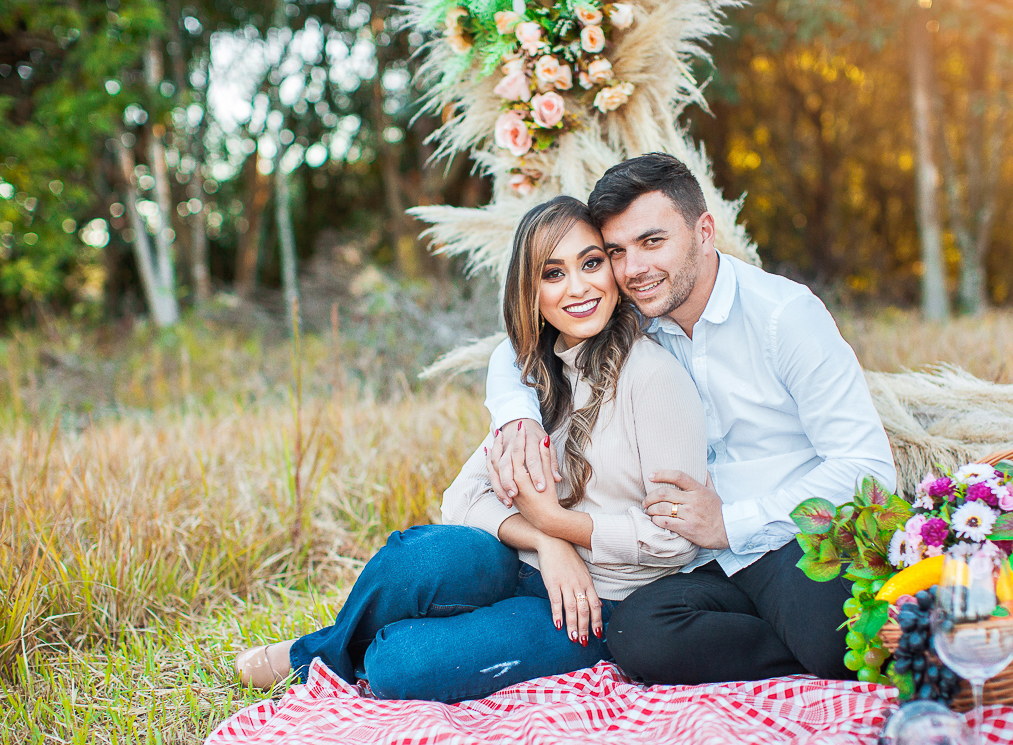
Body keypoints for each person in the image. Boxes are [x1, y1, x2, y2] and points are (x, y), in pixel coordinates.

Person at [234, 196, 707, 701]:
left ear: (613, 271)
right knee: (414, 558)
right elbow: (461, 498)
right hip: (523, 558)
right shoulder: (535, 381)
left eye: (591, 263)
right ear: (531, 292)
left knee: (400, 665)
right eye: (553, 273)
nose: (578, 288)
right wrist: (549, 542)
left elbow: (675, 541)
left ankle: (332, 652)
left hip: (599, 598)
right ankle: (322, 655)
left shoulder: (656, 379)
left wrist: (562, 528)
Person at [485, 153, 897, 685]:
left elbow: (867, 470)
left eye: (652, 242)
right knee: (638, 635)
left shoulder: (784, 316)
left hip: (787, 537)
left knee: (832, 641)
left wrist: (732, 521)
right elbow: (519, 344)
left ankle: (808, 637)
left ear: (705, 231)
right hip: (697, 558)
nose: (633, 269)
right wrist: (516, 414)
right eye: (617, 252)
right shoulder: (637, 308)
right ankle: (781, 636)